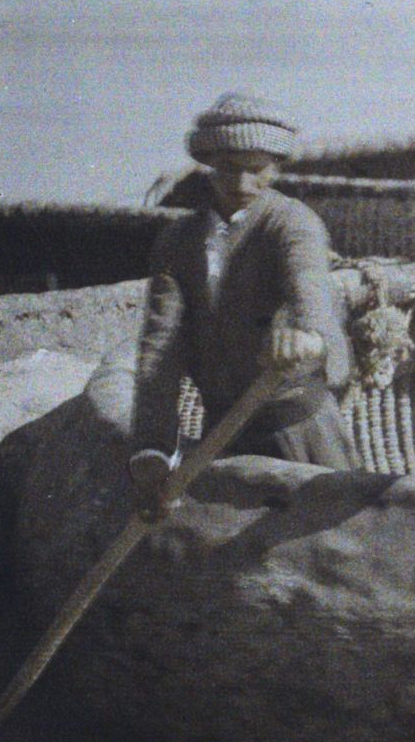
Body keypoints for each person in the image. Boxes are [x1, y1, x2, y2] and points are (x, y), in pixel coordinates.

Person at [129, 92, 356, 510]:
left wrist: (309, 338)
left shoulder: (292, 224)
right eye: (229, 169)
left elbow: (309, 295)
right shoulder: (178, 240)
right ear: (209, 164)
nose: (241, 185)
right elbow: (159, 352)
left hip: (298, 430)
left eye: (257, 170)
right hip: (223, 431)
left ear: (276, 168)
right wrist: (152, 450)